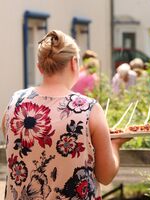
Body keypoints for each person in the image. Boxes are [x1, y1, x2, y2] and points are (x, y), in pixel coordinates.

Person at [1, 30, 128, 200]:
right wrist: (115, 145)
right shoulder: (89, 109)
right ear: (74, 63)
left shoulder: (14, 103)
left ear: (40, 68)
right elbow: (106, 176)